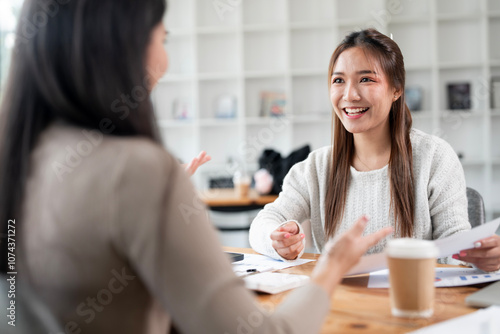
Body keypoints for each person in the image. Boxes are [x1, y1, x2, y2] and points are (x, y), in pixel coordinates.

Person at [0, 1, 392, 333]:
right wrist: (332, 266)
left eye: (367, 79)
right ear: (122, 45)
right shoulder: (135, 172)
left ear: (396, 90)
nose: (165, 61)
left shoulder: (24, 156)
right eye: (162, 38)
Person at [249, 28, 500, 273]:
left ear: (396, 89)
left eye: (366, 79)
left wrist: (478, 258)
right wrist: (276, 240)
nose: (350, 95)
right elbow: (263, 224)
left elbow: (456, 248)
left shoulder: (434, 157)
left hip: (413, 303)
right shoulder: (314, 168)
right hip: (339, 305)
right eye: (339, 80)